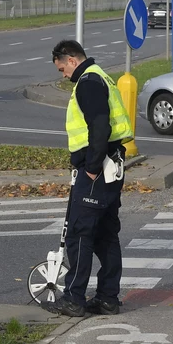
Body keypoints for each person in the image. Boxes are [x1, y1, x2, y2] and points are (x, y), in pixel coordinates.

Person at [47, 39, 134, 318]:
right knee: (106, 235)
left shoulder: (88, 81)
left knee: (80, 235)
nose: (63, 75)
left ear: (71, 60)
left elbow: (99, 124)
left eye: (62, 69)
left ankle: (74, 298)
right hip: (112, 166)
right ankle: (108, 298)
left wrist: (92, 167)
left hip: (97, 168)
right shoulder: (101, 76)